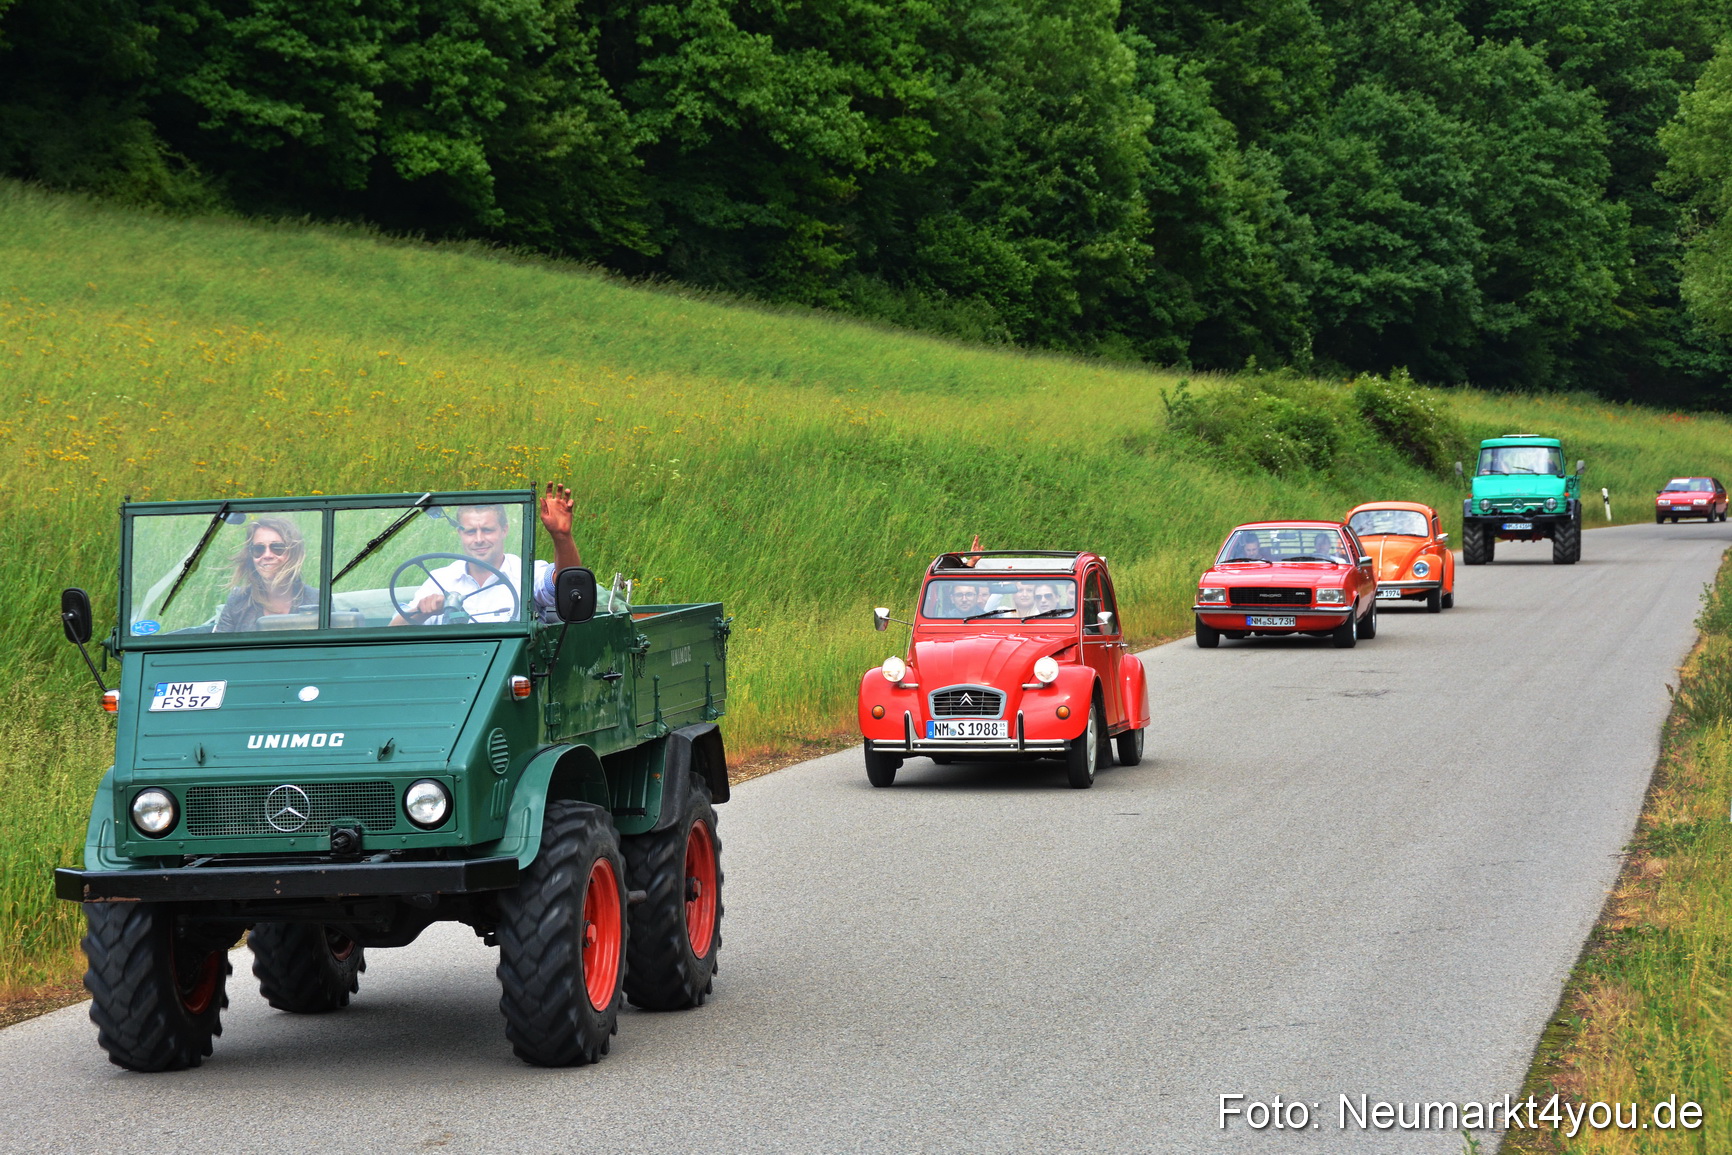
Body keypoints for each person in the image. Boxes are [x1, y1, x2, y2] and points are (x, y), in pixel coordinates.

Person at [392, 482, 582, 626]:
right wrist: (422, 612)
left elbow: (569, 585)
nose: (479, 539)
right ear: (460, 534)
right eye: (470, 531)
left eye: (487, 530)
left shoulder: (526, 572)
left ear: (504, 530)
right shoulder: (440, 579)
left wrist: (561, 536)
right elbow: (392, 631)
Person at [214, 517, 319, 632]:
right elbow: (219, 643)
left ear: (294, 553)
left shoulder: (317, 601)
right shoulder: (238, 600)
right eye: (259, 549)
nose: (267, 555)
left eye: (277, 548)